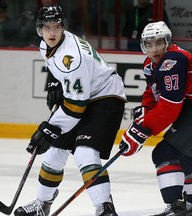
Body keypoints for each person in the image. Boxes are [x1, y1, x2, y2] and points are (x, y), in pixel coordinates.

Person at [14, 5, 127, 216]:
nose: (52, 32)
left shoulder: (72, 57)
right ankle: (42, 204)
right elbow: (65, 79)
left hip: (105, 96)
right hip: (84, 94)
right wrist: (58, 84)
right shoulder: (45, 45)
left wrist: (49, 129)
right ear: (39, 30)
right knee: (54, 153)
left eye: (57, 27)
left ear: (64, 27)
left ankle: (105, 208)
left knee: (85, 151)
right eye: (47, 27)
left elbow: (76, 106)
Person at [120, 21, 192, 216]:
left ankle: (176, 207)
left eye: (158, 43)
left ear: (167, 42)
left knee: (164, 154)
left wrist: (143, 129)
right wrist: (144, 114)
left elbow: (170, 106)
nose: (154, 49)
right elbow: (153, 93)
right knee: (184, 160)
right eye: (149, 44)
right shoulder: (151, 64)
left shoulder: (173, 60)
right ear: (143, 45)